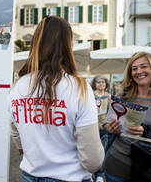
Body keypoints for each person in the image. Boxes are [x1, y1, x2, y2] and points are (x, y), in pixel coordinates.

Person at [7, 16, 104, 182]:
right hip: (69, 177)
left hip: (30, 176)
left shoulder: (17, 87)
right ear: (68, 45)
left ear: (36, 43)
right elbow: (92, 160)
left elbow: (16, 135)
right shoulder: (79, 88)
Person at [104, 51, 151, 182]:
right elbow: (106, 123)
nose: (139, 71)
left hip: (149, 170)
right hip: (117, 164)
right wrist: (110, 128)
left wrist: (146, 132)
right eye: (134, 68)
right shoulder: (122, 95)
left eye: (144, 66)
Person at [90, 76, 111, 182]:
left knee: (103, 151)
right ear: (95, 84)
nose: (101, 84)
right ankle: (89, 173)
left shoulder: (109, 96)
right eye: (98, 82)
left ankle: (99, 174)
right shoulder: (90, 95)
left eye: (103, 82)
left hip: (104, 126)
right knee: (91, 151)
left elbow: (111, 113)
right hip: (92, 126)